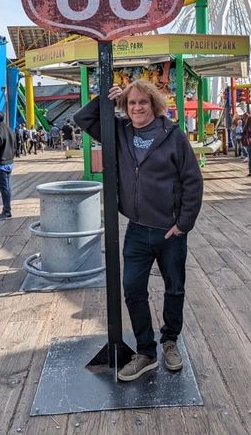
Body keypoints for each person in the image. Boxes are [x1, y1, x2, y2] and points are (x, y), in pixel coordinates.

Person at [75, 79, 203, 381]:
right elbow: (83, 119)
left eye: (142, 102)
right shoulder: (119, 133)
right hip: (136, 230)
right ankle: (146, 352)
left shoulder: (172, 135)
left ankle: (170, 340)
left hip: (170, 231)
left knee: (174, 289)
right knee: (133, 289)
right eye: (131, 103)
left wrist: (183, 224)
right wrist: (108, 101)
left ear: (154, 104)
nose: (137, 108)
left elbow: (192, 181)